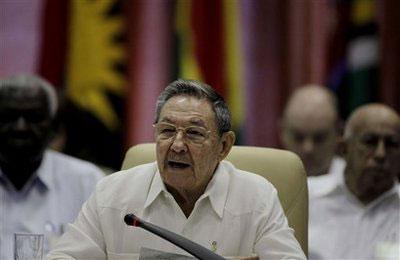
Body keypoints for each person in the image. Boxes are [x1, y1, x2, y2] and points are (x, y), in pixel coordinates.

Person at [48, 79, 306, 259]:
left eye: (194, 133)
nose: (177, 145)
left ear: (224, 146)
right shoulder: (113, 194)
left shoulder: (256, 198)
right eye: (167, 131)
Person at [0, 74, 104, 259]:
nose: (20, 127)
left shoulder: (86, 182)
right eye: (8, 117)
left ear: (54, 127)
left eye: (34, 118)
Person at [309, 103, 400, 259]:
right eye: (370, 141)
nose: (380, 154)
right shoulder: (306, 196)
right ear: (344, 149)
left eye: (392, 144)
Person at [280, 85, 343, 178]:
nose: (308, 149)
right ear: (282, 132)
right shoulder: (263, 184)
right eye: (298, 137)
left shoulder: (357, 186)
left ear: (339, 133)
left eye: (319, 138)